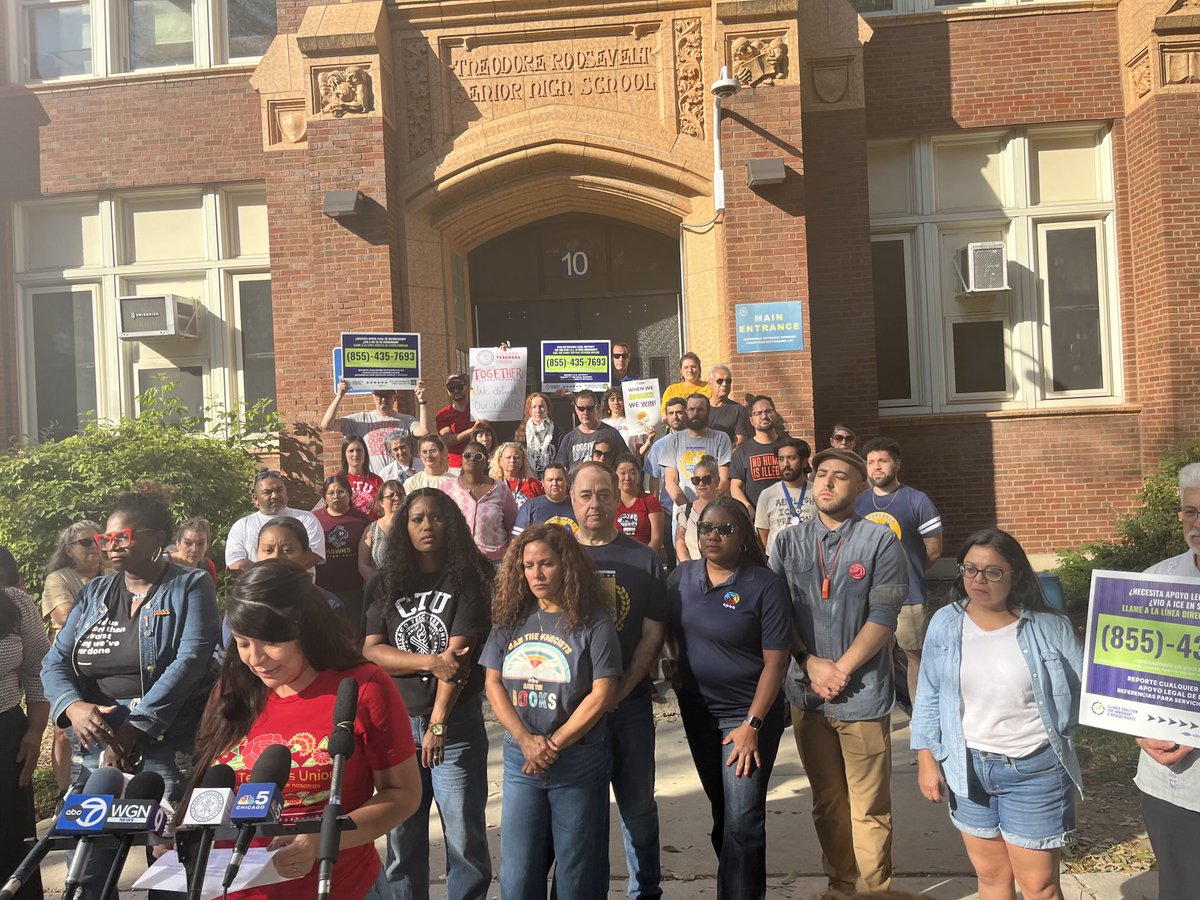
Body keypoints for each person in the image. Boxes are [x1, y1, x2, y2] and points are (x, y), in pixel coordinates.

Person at [187, 560, 422, 899]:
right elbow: (209, 786)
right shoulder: (231, 689)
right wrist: (185, 836)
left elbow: (403, 795)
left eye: (270, 641)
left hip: (337, 886)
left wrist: (323, 841)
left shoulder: (364, 687)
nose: (255, 658)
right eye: (242, 642)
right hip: (233, 889)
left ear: (305, 628)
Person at [42, 485, 220, 900]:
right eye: (106, 538)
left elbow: (192, 659)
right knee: (86, 867)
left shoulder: (190, 585)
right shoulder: (94, 593)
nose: (110, 545)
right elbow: (55, 662)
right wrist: (74, 707)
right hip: (96, 741)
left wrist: (137, 724)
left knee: (170, 865)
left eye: (122, 536)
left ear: (158, 539)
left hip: (168, 740)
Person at [912, 528, 1083, 900]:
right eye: (969, 569)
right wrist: (927, 759)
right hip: (967, 768)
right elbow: (928, 693)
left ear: (1016, 575)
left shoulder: (1050, 627)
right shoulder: (945, 622)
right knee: (991, 880)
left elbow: (1083, 689)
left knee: (1039, 887)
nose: (978, 580)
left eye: (992, 572)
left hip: (1034, 770)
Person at [770, 448, 908, 895]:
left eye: (840, 477)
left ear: (860, 487)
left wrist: (840, 670)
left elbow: (884, 616)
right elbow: (776, 615)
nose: (827, 483)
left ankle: (874, 890)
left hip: (862, 695)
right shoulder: (787, 542)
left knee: (869, 806)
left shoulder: (880, 541)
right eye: (822, 475)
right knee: (827, 802)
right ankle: (839, 885)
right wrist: (810, 664)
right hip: (806, 695)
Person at [363, 489, 494, 900]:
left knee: (463, 839)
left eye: (436, 518)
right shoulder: (385, 581)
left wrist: (437, 722)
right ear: (404, 526)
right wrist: (427, 662)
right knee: (402, 840)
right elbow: (370, 649)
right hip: (397, 726)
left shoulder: (467, 576)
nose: (426, 526)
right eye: (416, 518)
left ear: (450, 523)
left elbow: (458, 658)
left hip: (454, 727)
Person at [481, 523, 623, 900]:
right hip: (521, 761)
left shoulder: (594, 620)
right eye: (528, 566)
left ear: (567, 566)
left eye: (546, 563)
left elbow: (603, 693)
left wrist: (552, 745)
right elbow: (492, 683)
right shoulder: (510, 617)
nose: (536, 574)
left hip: (578, 761)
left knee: (578, 872)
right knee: (517, 871)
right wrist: (526, 741)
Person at [666, 497, 791, 900]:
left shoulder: (764, 585)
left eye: (724, 529)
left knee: (743, 818)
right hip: (698, 712)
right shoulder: (680, 579)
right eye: (706, 528)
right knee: (724, 812)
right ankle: (734, 886)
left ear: (743, 537)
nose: (713, 536)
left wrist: (752, 725)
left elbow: (776, 662)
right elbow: (660, 633)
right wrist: (672, 663)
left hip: (748, 715)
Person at [570, 463, 668, 897]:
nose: (595, 503)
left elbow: (652, 633)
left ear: (618, 497)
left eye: (603, 493)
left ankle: (646, 891)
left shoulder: (643, 557)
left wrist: (620, 691)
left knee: (638, 807)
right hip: (569, 711)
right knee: (578, 814)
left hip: (628, 706)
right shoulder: (556, 554)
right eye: (586, 494)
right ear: (571, 499)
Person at [1132, 461, 1200, 899]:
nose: (1198, 524)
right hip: (1168, 785)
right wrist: (1139, 730)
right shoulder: (1156, 581)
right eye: (1191, 512)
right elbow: (1125, 676)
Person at [857, 437, 943, 706]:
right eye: (871, 462)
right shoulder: (858, 503)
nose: (876, 467)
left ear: (896, 463)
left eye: (882, 461)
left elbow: (933, 550)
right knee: (878, 656)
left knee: (914, 655)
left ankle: (919, 712)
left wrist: (906, 573)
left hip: (909, 596)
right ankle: (887, 708)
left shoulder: (918, 500)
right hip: (868, 597)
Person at [0, 547, 50, 900]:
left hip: (7, 737)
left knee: (11, 843)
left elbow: (38, 671)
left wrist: (34, 733)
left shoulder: (16, 604)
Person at [41, 519, 103, 791]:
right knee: (64, 732)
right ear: (69, 549)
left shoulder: (114, 572)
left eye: (99, 540)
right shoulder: (58, 578)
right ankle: (64, 793)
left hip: (106, 662)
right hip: (71, 664)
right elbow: (64, 616)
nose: (95, 547)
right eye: (86, 542)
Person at [321, 379, 432, 474]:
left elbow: (423, 431)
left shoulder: (406, 420)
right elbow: (327, 425)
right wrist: (340, 395)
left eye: (388, 395)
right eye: (379, 395)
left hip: (402, 481)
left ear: (395, 398)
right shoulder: (361, 420)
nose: (383, 399)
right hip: (373, 482)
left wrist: (422, 401)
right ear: (373, 397)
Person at [225, 470, 325, 574]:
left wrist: (279, 576)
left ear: (286, 493)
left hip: (298, 588)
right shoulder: (242, 526)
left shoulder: (306, 519)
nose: (275, 496)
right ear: (255, 499)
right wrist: (267, 576)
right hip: (258, 589)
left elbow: (314, 554)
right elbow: (235, 563)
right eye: (267, 492)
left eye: (279, 490)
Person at [438, 440, 518, 562]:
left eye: (478, 456)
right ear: (462, 459)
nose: (472, 459)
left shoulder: (500, 489)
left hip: (495, 561)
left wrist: (509, 554)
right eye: (467, 455)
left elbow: (512, 524)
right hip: (457, 559)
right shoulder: (447, 488)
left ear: (486, 461)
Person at [660, 395, 732, 521]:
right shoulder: (674, 441)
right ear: (686, 412)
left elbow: (724, 481)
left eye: (700, 410)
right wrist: (689, 510)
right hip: (683, 512)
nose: (695, 413)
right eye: (691, 409)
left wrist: (706, 507)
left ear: (708, 412)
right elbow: (670, 483)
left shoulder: (721, 438)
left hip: (714, 512)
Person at [314, 474, 371, 633]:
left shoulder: (362, 519)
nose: (336, 496)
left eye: (341, 492)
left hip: (354, 589)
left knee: (354, 631)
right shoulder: (314, 519)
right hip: (323, 588)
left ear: (349, 494)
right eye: (330, 493)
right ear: (324, 497)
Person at [754, 438, 816, 558]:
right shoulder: (767, 494)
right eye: (781, 459)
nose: (785, 464)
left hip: (810, 559)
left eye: (791, 458)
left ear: (804, 462)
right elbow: (763, 535)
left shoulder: (817, 492)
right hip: (778, 563)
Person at [730, 395, 786, 512]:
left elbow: (803, 480)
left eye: (768, 411)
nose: (764, 416)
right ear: (751, 420)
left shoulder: (791, 446)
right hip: (758, 517)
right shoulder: (741, 452)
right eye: (758, 413)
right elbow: (735, 487)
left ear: (774, 415)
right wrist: (747, 507)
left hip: (789, 513)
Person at [554, 389, 627, 470]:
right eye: (581, 408)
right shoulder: (569, 438)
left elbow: (626, 463)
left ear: (598, 408)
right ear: (576, 409)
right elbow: (560, 469)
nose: (585, 412)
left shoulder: (612, 434)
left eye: (589, 408)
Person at [437, 373, 489, 470]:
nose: (456, 390)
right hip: (457, 465)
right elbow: (447, 440)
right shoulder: (442, 414)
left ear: (468, 386)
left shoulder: (481, 408)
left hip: (483, 462)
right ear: (448, 391)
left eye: (459, 386)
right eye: (451, 388)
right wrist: (473, 430)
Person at [511, 463, 579, 536]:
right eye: (550, 480)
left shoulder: (578, 505)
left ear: (566, 482)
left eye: (559, 479)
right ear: (542, 483)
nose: (554, 483)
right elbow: (517, 540)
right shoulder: (529, 507)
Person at [615, 454, 665, 552]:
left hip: (644, 557)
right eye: (622, 473)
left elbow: (657, 539)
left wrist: (644, 558)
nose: (627, 477)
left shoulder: (650, 501)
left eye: (632, 473)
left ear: (639, 476)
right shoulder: (609, 502)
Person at [675, 455, 721, 563]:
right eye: (696, 480)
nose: (701, 484)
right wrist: (690, 569)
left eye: (706, 479)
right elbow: (680, 542)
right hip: (692, 570)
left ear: (717, 481)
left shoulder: (729, 509)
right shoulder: (685, 511)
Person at [359, 480, 406, 583]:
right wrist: (378, 584)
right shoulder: (371, 530)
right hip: (378, 590)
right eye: (391, 496)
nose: (397, 498)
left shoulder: (411, 527)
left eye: (400, 495)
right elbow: (363, 564)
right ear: (381, 502)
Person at [513, 391, 562, 480]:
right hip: (528, 479)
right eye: (534, 407)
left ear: (548, 409)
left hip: (551, 478)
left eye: (541, 406)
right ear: (529, 411)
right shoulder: (521, 431)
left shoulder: (557, 431)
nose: (538, 410)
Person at [705, 365, 752, 447]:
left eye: (728, 381)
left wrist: (723, 455)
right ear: (709, 384)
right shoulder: (701, 409)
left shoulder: (738, 410)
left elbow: (740, 441)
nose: (724, 384)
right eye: (720, 381)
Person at [492, 441, 545, 508]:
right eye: (508, 457)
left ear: (523, 461)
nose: (512, 460)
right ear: (500, 460)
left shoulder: (532, 484)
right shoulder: (492, 484)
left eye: (516, 458)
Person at [342, 435, 384, 518]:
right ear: (344, 455)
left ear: (365, 453)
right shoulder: (337, 480)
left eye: (359, 450)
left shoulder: (377, 480)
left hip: (371, 528)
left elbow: (383, 510)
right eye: (351, 451)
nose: (355, 454)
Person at [602, 387, 652, 454]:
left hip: (628, 462)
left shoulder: (634, 422)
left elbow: (639, 452)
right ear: (607, 403)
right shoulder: (602, 423)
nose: (616, 402)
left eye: (619, 399)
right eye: (612, 399)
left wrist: (649, 441)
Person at [170, 517, 216, 582]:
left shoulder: (208, 567)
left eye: (200, 544)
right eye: (188, 543)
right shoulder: (163, 564)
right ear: (178, 544)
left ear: (207, 545)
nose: (194, 549)